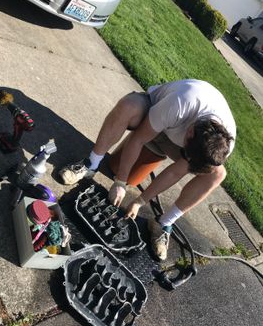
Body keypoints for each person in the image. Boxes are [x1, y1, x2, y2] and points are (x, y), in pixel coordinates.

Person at [59, 79, 236, 260]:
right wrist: (120, 182)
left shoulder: (220, 146)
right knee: (129, 106)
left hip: (179, 141)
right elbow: (138, 139)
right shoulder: (182, 103)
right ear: (189, 132)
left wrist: (140, 201)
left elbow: (176, 171)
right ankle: (91, 163)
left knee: (217, 175)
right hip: (154, 114)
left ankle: (164, 223)